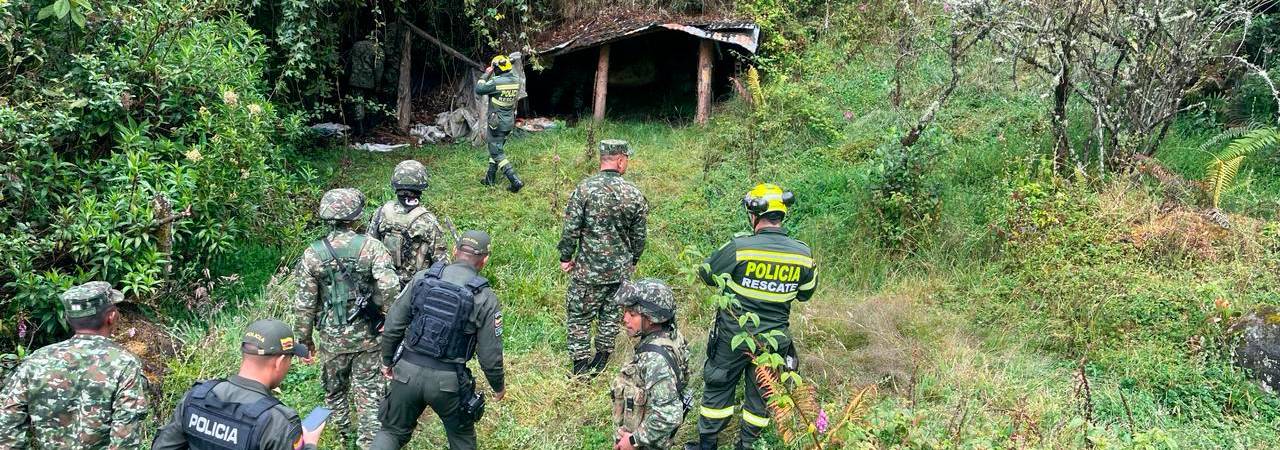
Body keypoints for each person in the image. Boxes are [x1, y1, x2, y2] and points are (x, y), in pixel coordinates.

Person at [687, 183, 818, 450]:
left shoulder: (740, 248)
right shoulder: (803, 254)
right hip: (774, 342)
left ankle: (707, 443)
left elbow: (706, 274)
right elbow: (805, 294)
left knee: (718, 385)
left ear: (755, 214)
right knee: (761, 395)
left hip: (733, 337)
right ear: (782, 214)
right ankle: (748, 445)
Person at [371, 230, 506, 450]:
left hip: (405, 372)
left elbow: (394, 324)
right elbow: (489, 354)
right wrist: (498, 386)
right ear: (485, 260)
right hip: (448, 382)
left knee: (391, 432)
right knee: (461, 439)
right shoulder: (485, 297)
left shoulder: (422, 278)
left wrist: (387, 361)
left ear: (455, 251)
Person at [294, 188, 399, 448]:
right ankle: (368, 442)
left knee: (334, 391)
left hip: (332, 339)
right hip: (369, 339)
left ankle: (342, 435)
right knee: (369, 393)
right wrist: (387, 319)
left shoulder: (312, 254)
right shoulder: (372, 247)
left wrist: (304, 342)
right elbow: (390, 288)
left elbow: (304, 305)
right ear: (355, 216)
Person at [0, 281, 149, 449]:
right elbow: (125, 438)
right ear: (111, 316)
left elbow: (7, 423)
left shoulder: (36, 360)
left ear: (68, 319)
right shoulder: (123, 363)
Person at [151, 319, 324, 450]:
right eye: (290, 358)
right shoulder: (278, 422)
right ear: (279, 362)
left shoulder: (197, 396)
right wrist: (309, 444)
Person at [558, 139, 649, 376]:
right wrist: (632, 261)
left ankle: (579, 367)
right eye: (626, 159)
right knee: (611, 315)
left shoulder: (584, 190)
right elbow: (639, 238)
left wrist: (566, 257)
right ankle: (600, 362)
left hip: (588, 271)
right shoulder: (634, 194)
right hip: (620, 273)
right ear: (620, 160)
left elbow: (571, 229)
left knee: (579, 316)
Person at [610, 279, 691, 450]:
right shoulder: (671, 335)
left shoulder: (655, 359)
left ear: (653, 319)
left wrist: (633, 441)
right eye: (625, 312)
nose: (625, 319)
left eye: (632, 314)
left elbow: (669, 415)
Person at [369, 159, 450, 284]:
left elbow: (369, 248)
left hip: (383, 284)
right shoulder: (428, 221)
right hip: (414, 288)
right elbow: (442, 263)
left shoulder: (381, 213)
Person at [474, 54, 524, 192]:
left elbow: (479, 89)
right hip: (508, 122)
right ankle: (490, 178)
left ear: (497, 68)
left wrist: (486, 74)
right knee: (496, 148)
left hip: (497, 124)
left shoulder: (497, 82)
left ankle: (515, 181)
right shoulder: (516, 80)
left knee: (496, 153)